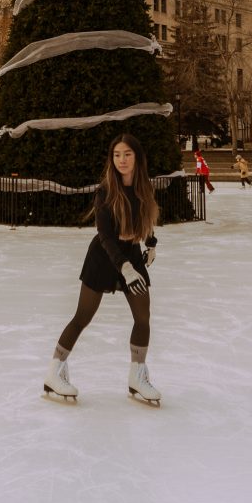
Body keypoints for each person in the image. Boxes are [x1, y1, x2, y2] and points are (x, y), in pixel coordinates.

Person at [43, 133, 161, 405]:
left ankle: (137, 377)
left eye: (127, 154)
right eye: (117, 155)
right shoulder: (106, 191)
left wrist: (151, 244)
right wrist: (126, 268)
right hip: (104, 256)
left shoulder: (144, 187)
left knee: (143, 316)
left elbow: (148, 218)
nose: (122, 160)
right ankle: (54, 372)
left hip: (131, 252)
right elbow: (106, 236)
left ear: (137, 157)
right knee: (82, 316)